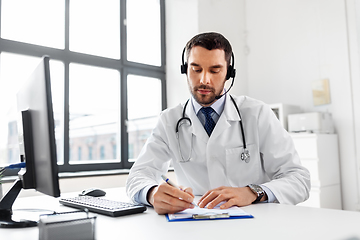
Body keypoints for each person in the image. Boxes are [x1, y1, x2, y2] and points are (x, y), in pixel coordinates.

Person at [126, 32, 310, 215]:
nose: (204, 79)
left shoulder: (257, 113)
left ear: (229, 73)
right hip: (195, 223)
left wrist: (252, 192)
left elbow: (298, 180)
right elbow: (138, 176)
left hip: (254, 223)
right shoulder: (169, 120)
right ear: (185, 69)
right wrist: (151, 193)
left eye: (214, 70)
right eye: (196, 69)